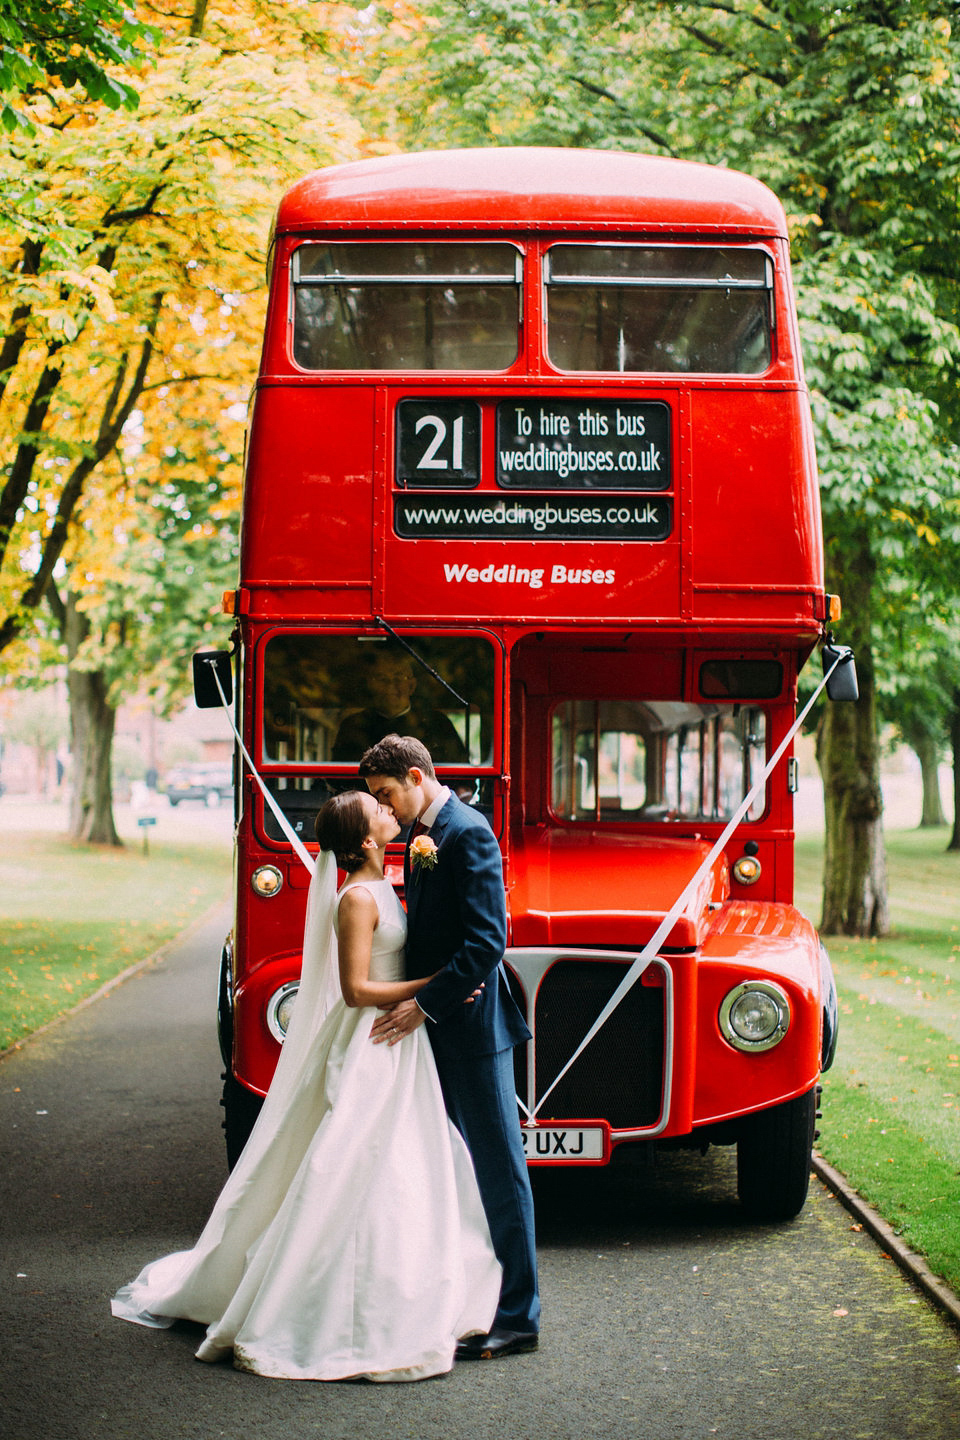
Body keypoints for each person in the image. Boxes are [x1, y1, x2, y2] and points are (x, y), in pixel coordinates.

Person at [111, 790, 501, 1381]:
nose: (392, 814)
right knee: (354, 1160)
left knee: (412, 1161)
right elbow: (355, 991)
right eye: (381, 813)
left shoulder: (388, 881)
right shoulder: (355, 900)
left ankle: (408, 1289)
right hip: (373, 1038)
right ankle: (325, 1307)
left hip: (400, 1042)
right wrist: (436, 984)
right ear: (367, 841)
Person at [358, 734, 540, 1359]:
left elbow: (487, 941)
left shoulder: (467, 832)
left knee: (500, 1173)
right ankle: (468, 1301)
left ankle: (519, 1316)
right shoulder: (422, 836)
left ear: (415, 776)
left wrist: (425, 1005)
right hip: (434, 1030)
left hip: (475, 1032)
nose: (386, 808)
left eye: (386, 794)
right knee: (452, 1172)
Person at [332, 648, 467, 763]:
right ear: (370, 685)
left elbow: (462, 777)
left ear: (412, 686)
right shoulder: (353, 725)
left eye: (399, 678)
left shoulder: (437, 723)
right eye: (382, 679)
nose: (391, 686)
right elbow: (338, 777)